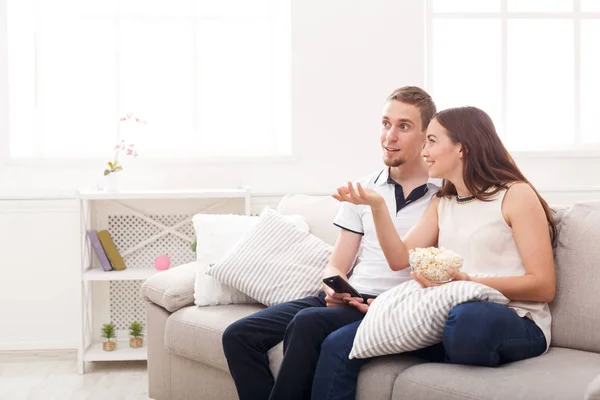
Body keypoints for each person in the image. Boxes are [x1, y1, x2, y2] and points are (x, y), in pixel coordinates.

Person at [318, 106, 556, 400]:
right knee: (338, 344)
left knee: (468, 321)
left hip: (516, 318)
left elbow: (544, 286)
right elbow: (399, 260)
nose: (424, 151)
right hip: (447, 314)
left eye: (432, 141)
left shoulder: (515, 194)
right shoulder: (443, 203)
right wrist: (377, 206)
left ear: (461, 148)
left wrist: (464, 281)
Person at [221, 86, 440, 400]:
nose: (389, 135)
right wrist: (332, 288)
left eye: (403, 126)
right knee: (238, 335)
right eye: (385, 123)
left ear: (426, 136)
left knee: (307, 323)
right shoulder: (363, 188)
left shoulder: (443, 195)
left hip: (387, 307)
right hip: (349, 299)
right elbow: (337, 264)